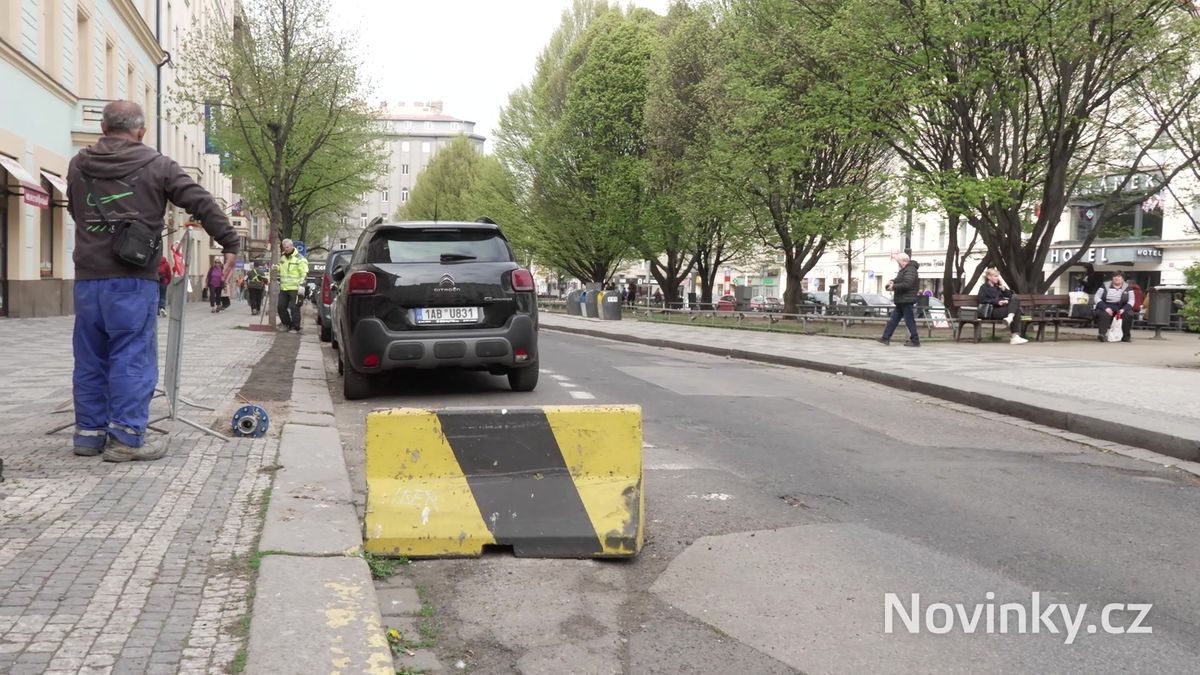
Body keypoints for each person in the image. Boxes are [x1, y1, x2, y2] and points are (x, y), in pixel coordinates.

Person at [66, 100, 239, 462]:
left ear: (103, 128)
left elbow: (74, 209)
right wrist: (229, 242)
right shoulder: (157, 164)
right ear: (141, 131)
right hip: (132, 278)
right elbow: (200, 201)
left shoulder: (78, 164)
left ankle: (88, 435)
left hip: (87, 279)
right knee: (131, 355)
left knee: (90, 356)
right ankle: (126, 438)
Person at [877, 253, 921, 346]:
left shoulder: (910, 270)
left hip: (906, 299)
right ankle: (885, 338)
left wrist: (893, 287)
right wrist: (892, 281)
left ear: (904, 261)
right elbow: (899, 280)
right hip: (902, 299)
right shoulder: (904, 270)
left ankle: (915, 340)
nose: (898, 264)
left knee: (909, 320)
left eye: (899, 262)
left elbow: (906, 284)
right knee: (894, 320)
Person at [976, 268, 1028, 345]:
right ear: (989, 277)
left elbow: (1011, 296)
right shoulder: (984, 287)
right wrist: (997, 302)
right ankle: (1014, 337)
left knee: (1015, 299)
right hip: (992, 311)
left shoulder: (998, 287)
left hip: (1001, 310)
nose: (997, 278)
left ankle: (1010, 318)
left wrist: (1003, 288)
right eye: (995, 276)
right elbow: (982, 300)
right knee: (1016, 311)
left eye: (998, 276)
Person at [276, 239, 309, 332]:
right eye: (284, 247)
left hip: (295, 288)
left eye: (287, 247)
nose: (285, 249)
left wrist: (302, 285)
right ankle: (287, 324)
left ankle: (295, 327)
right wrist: (276, 268)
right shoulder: (283, 257)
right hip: (284, 287)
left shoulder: (300, 259)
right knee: (280, 307)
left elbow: (304, 272)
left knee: (294, 307)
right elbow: (282, 269)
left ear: (292, 246)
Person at [1094, 272, 1135, 343]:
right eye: (1115, 276)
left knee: (1128, 314)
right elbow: (1096, 297)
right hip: (1106, 306)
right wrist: (1105, 308)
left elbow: (1131, 300)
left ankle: (1126, 336)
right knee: (1104, 314)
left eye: (1119, 276)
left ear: (1123, 279)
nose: (1116, 278)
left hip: (1122, 307)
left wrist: (1124, 309)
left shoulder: (1128, 288)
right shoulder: (1104, 286)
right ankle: (1102, 335)